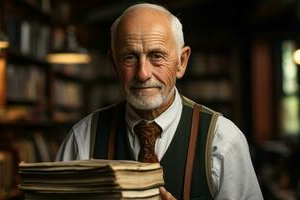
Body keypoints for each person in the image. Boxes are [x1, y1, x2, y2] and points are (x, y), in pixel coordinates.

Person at [56, 3, 263, 200]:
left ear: (181, 62)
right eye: (129, 57)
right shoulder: (82, 138)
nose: (143, 73)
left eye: (156, 56)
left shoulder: (222, 140)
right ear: (114, 64)